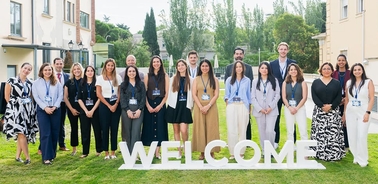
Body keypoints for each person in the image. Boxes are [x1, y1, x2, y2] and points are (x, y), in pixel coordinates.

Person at [3, 63, 38, 165]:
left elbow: (31, 97)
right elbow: (7, 97)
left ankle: (17, 156)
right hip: (15, 110)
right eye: (25, 68)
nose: (26, 70)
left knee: (22, 134)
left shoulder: (30, 82)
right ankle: (28, 158)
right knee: (21, 133)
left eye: (29, 69)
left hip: (27, 111)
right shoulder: (11, 80)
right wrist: (14, 109)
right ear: (21, 68)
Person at [311, 62, 345, 161]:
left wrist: (331, 106)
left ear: (332, 71)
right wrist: (322, 106)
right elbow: (314, 96)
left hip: (333, 112)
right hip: (319, 112)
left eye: (328, 69)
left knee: (332, 134)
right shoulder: (316, 82)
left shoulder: (336, 83)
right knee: (320, 133)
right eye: (324, 69)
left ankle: (333, 154)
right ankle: (319, 153)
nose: (326, 70)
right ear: (321, 70)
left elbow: (339, 97)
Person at [344, 63, 375, 167]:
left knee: (361, 135)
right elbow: (347, 100)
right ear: (352, 71)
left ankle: (363, 159)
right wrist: (344, 113)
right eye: (355, 70)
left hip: (363, 111)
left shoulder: (368, 82)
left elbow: (371, 98)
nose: (357, 71)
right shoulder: (349, 83)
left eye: (359, 69)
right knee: (352, 135)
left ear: (362, 71)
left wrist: (368, 112)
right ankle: (356, 157)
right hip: (351, 111)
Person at [32, 63, 63, 165]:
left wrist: (55, 106)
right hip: (43, 110)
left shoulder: (56, 82)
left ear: (52, 71)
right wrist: (45, 107)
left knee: (54, 133)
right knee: (46, 133)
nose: (47, 72)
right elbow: (36, 97)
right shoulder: (36, 83)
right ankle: (46, 157)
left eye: (49, 70)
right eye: (45, 70)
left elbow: (60, 96)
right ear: (42, 71)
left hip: (55, 109)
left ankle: (52, 154)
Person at [270, 42, 297, 149]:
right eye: (281, 49)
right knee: (275, 118)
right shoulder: (272, 64)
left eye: (285, 49)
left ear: (288, 50)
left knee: (291, 118)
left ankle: (293, 142)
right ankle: (275, 141)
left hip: (290, 94)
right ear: (278, 50)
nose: (283, 51)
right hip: (276, 94)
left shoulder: (293, 63)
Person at [192, 59, 220, 160]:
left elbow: (216, 94)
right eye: (203, 66)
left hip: (211, 107)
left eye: (206, 66)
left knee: (211, 128)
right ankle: (202, 152)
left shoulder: (214, 79)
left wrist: (208, 106)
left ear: (210, 67)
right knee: (200, 129)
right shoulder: (196, 79)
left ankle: (211, 152)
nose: (204, 68)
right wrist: (200, 106)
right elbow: (194, 94)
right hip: (199, 107)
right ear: (200, 67)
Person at [142, 55, 169, 159]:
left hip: (160, 103)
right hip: (149, 103)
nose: (156, 64)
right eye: (154, 62)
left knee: (160, 127)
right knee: (150, 127)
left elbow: (166, 93)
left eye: (158, 62)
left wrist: (161, 105)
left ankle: (157, 152)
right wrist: (148, 105)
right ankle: (151, 150)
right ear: (151, 64)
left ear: (161, 63)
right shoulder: (147, 76)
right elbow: (144, 92)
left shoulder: (165, 76)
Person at [224, 47, 253, 140]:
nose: (239, 55)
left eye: (240, 53)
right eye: (237, 53)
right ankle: (233, 144)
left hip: (243, 102)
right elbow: (227, 88)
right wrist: (227, 102)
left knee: (244, 124)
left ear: (243, 55)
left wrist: (249, 105)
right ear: (234, 55)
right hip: (232, 103)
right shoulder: (228, 68)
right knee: (232, 125)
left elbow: (249, 88)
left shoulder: (248, 69)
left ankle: (245, 142)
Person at [166, 59, 193, 158]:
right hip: (174, 107)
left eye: (182, 65)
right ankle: (179, 151)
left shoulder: (191, 79)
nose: (181, 67)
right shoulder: (173, 79)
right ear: (177, 68)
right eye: (179, 65)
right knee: (176, 130)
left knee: (184, 130)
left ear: (186, 66)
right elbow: (169, 93)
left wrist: (191, 107)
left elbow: (193, 95)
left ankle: (185, 146)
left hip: (185, 107)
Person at [251, 62, 280, 153]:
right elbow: (252, 97)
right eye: (262, 68)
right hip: (259, 111)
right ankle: (264, 150)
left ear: (269, 70)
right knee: (262, 131)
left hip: (271, 110)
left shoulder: (274, 80)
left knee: (270, 131)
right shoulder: (255, 82)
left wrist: (271, 106)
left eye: (266, 68)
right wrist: (259, 108)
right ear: (259, 70)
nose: (264, 70)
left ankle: (270, 149)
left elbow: (277, 95)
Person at [96, 58, 122, 159]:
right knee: (105, 129)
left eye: (112, 65)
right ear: (105, 66)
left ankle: (113, 152)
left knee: (114, 128)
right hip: (104, 104)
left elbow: (119, 92)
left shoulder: (118, 77)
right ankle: (106, 152)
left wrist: (115, 103)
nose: (110, 67)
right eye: (108, 65)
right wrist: (108, 105)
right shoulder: (100, 78)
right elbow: (98, 94)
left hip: (116, 104)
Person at [224, 61, 251, 159]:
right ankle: (232, 152)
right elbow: (226, 94)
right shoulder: (229, 80)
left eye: (240, 67)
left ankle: (241, 152)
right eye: (237, 67)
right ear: (234, 69)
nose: (238, 68)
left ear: (243, 68)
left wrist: (249, 107)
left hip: (243, 105)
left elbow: (248, 94)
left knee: (242, 129)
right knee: (232, 129)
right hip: (232, 105)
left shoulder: (247, 80)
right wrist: (228, 104)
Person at [120, 66, 146, 154]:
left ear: (136, 72)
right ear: (127, 73)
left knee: (136, 131)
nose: (132, 73)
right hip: (126, 110)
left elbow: (143, 98)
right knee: (127, 131)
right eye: (130, 71)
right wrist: (127, 110)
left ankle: (134, 153)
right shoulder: (123, 85)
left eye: (133, 71)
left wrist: (140, 109)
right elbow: (122, 99)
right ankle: (128, 153)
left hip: (139, 110)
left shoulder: (141, 84)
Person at [77, 66, 102, 158]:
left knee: (97, 131)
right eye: (88, 71)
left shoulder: (97, 83)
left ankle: (99, 150)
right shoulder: (81, 83)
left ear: (94, 72)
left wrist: (92, 110)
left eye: (91, 71)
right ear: (85, 72)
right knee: (85, 131)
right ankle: (85, 152)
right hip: (85, 111)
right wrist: (86, 111)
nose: (90, 72)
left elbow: (99, 97)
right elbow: (79, 98)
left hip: (95, 110)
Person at [281, 63, 308, 144]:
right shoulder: (285, 83)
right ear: (288, 72)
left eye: (295, 69)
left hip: (300, 108)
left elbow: (304, 97)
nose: (293, 71)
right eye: (291, 70)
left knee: (303, 130)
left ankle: (305, 150)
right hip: (288, 108)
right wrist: (289, 107)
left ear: (298, 71)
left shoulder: (302, 82)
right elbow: (284, 97)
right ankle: (290, 150)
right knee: (290, 130)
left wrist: (296, 108)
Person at [63, 63, 83, 156]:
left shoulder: (85, 81)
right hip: (72, 109)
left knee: (84, 129)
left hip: (83, 109)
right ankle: (74, 149)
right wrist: (71, 109)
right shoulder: (68, 82)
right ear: (72, 71)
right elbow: (65, 97)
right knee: (74, 128)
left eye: (78, 69)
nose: (76, 71)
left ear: (81, 70)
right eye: (74, 69)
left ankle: (85, 148)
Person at [332, 54, 351, 151]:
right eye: (339, 60)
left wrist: (346, 99)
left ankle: (347, 144)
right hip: (336, 101)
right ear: (337, 61)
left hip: (348, 101)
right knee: (337, 122)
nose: (341, 62)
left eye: (343, 60)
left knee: (346, 123)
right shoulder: (333, 73)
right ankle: (338, 143)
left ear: (346, 61)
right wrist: (338, 100)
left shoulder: (350, 73)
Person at [53, 57, 70, 152]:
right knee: (52, 124)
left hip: (63, 103)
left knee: (61, 124)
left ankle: (62, 144)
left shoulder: (67, 76)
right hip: (52, 104)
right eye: (57, 64)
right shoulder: (50, 75)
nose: (59, 65)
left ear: (63, 65)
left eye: (60, 63)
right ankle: (48, 145)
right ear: (54, 65)